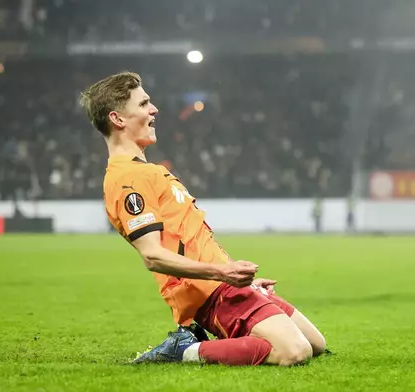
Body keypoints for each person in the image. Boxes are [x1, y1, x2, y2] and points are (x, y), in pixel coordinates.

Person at [79, 71, 326, 366]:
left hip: (222, 283)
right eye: (144, 104)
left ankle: (232, 331)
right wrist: (222, 274)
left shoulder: (150, 171)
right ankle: (183, 350)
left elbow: (188, 239)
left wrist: (240, 279)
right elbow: (153, 256)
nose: (154, 109)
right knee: (294, 351)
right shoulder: (127, 178)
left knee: (315, 343)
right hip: (207, 292)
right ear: (118, 119)